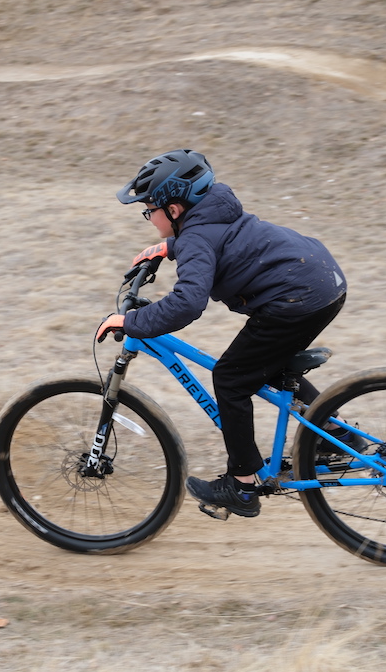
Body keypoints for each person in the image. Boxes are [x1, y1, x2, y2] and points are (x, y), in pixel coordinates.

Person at [97, 149, 347, 518]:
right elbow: (213, 237)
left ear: (175, 210)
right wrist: (169, 247)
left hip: (296, 298)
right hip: (321, 282)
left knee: (231, 377)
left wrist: (130, 322)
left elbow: (187, 303)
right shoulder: (213, 212)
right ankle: (337, 436)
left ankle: (242, 486)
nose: (148, 217)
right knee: (266, 365)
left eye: (150, 209)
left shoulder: (197, 237)